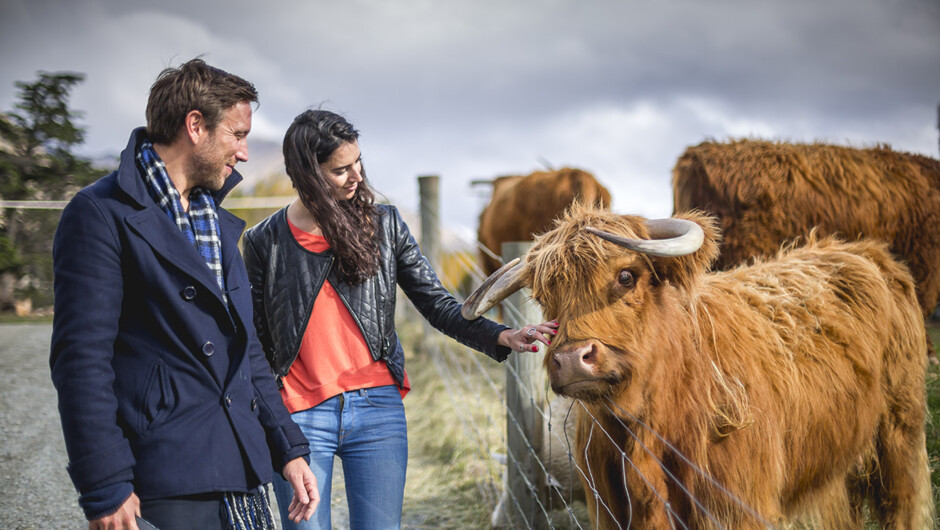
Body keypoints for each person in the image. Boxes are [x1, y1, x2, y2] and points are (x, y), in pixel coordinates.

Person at [241, 108, 558, 530]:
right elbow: (256, 348)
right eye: (340, 170)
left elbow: (437, 303)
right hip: (299, 416)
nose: (356, 176)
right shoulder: (264, 242)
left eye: (358, 163)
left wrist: (501, 335)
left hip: (376, 408)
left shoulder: (385, 225)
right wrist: (276, 427)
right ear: (308, 175)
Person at [50, 59, 320, 530]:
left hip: (238, 465)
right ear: (195, 125)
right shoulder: (100, 213)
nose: (244, 152)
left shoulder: (213, 219)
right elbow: (80, 361)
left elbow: (247, 351)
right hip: (165, 471)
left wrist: (288, 448)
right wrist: (105, 484)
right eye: (237, 135)